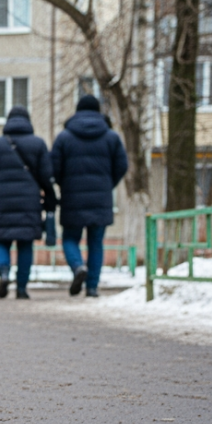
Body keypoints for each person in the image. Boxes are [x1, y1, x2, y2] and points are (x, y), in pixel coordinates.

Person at [51, 95, 129, 297]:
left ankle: (78, 267)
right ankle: (92, 287)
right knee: (96, 243)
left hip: (72, 197)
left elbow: (53, 168)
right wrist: (107, 184)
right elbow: (122, 166)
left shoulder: (64, 137)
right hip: (101, 198)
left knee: (70, 238)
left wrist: (64, 184)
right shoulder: (111, 137)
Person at [0, 105, 56, 299]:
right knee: (25, 245)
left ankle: (4, 273)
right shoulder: (38, 144)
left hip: (1, 201)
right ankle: (21, 288)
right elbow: (47, 176)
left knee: (2, 241)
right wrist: (48, 197)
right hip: (29, 201)